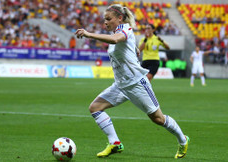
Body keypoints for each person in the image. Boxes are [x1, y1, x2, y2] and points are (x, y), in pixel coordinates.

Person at [75, 4, 189, 159]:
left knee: (158, 119)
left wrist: (89, 34)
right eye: (104, 20)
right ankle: (114, 142)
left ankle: (183, 140)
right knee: (95, 108)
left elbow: (116, 40)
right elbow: (125, 44)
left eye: (108, 19)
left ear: (120, 18)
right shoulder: (121, 32)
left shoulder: (124, 30)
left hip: (136, 84)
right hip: (121, 85)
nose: (105, 23)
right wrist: (134, 48)